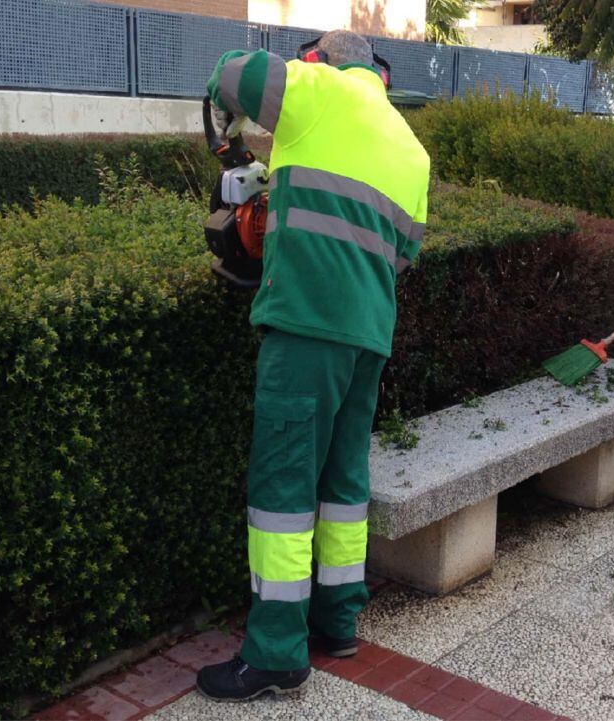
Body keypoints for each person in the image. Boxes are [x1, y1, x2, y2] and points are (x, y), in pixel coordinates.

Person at [195, 30, 431, 701]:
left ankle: (274, 651)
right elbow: (403, 253)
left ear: (323, 59)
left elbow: (230, 69)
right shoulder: (411, 148)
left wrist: (290, 83)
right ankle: (337, 619)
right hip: (367, 335)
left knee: (284, 487)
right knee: (343, 482)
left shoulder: (316, 89)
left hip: (305, 324)